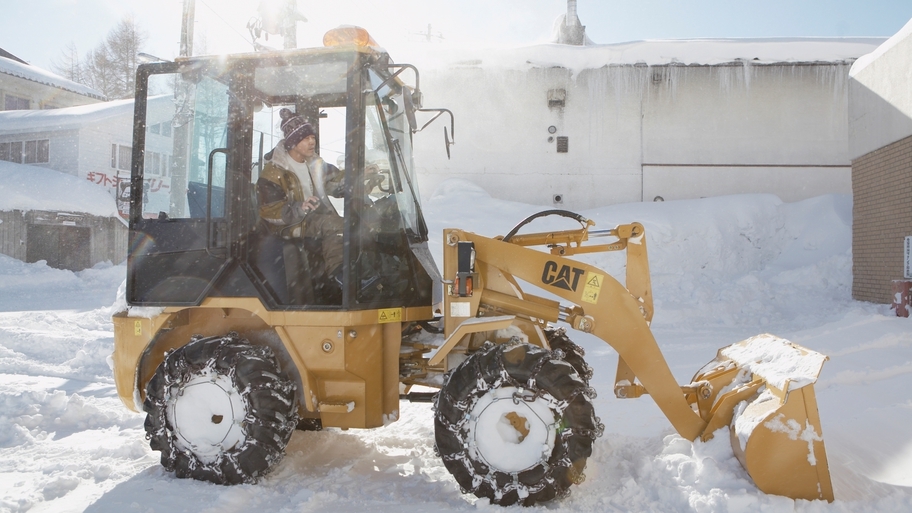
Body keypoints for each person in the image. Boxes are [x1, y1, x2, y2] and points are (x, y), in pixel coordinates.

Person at [257, 108, 345, 298]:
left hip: (313, 220)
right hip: (291, 225)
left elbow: (337, 183)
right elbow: (269, 211)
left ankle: (360, 277)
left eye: (312, 137)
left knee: (356, 225)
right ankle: (342, 276)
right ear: (293, 142)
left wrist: (361, 177)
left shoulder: (314, 163)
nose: (312, 141)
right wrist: (299, 207)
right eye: (306, 138)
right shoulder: (274, 172)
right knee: (336, 225)